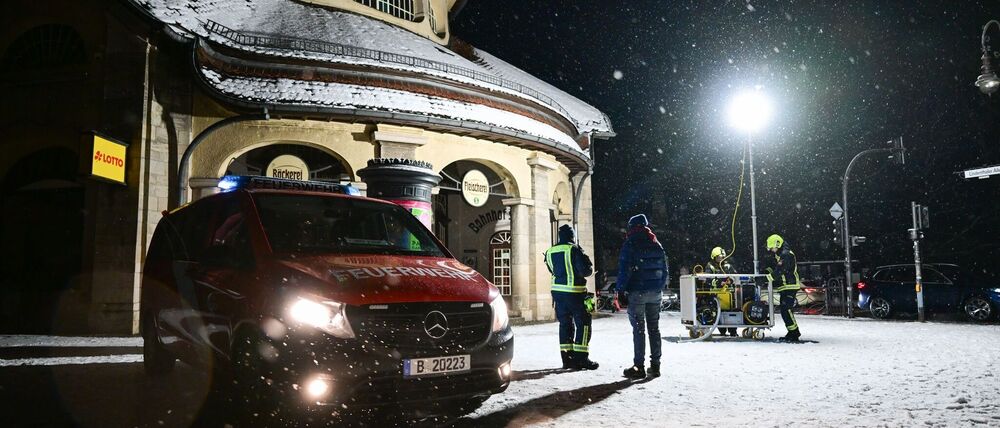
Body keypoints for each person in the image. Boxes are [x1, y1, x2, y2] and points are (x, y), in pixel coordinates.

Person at [617, 214, 668, 379]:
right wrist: (658, 286)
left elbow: (624, 270)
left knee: (639, 330)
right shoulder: (656, 243)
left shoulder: (630, 243)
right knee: (654, 329)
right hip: (655, 293)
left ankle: (639, 366)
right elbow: (665, 269)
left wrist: (620, 290)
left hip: (637, 292)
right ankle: (655, 366)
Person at [545, 224, 598, 370]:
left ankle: (567, 359)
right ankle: (581, 358)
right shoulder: (574, 249)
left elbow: (552, 269)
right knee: (583, 323)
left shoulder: (550, 251)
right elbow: (585, 271)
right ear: (572, 236)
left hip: (558, 293)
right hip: (575, 292)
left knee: (565, 325)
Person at [763, 234, 802, 342]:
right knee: (784, 310)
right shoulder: (781, 255)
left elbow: (780, 270)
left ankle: (794, 333)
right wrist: (767, 271)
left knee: (786, 309)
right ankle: (792, 332)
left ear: (778, 244)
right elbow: (777, 269)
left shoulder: (786, 255)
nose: (771, 250)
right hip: (785, 286)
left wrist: (767, 278)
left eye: (772, 248)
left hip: (790, 285)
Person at [706, 246, 737, 337]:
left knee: (731, 311)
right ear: (714, 257)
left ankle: (733, 331)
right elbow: (707, 279)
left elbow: (735, 276)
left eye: (722, 257)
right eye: (719, 257)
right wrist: (719, 282)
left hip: (729, 294)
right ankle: (722, 330)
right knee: (718, 312)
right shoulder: (710, 266)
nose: (721, 259)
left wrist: (730, 281)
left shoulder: (728, 266)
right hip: (715, 294)